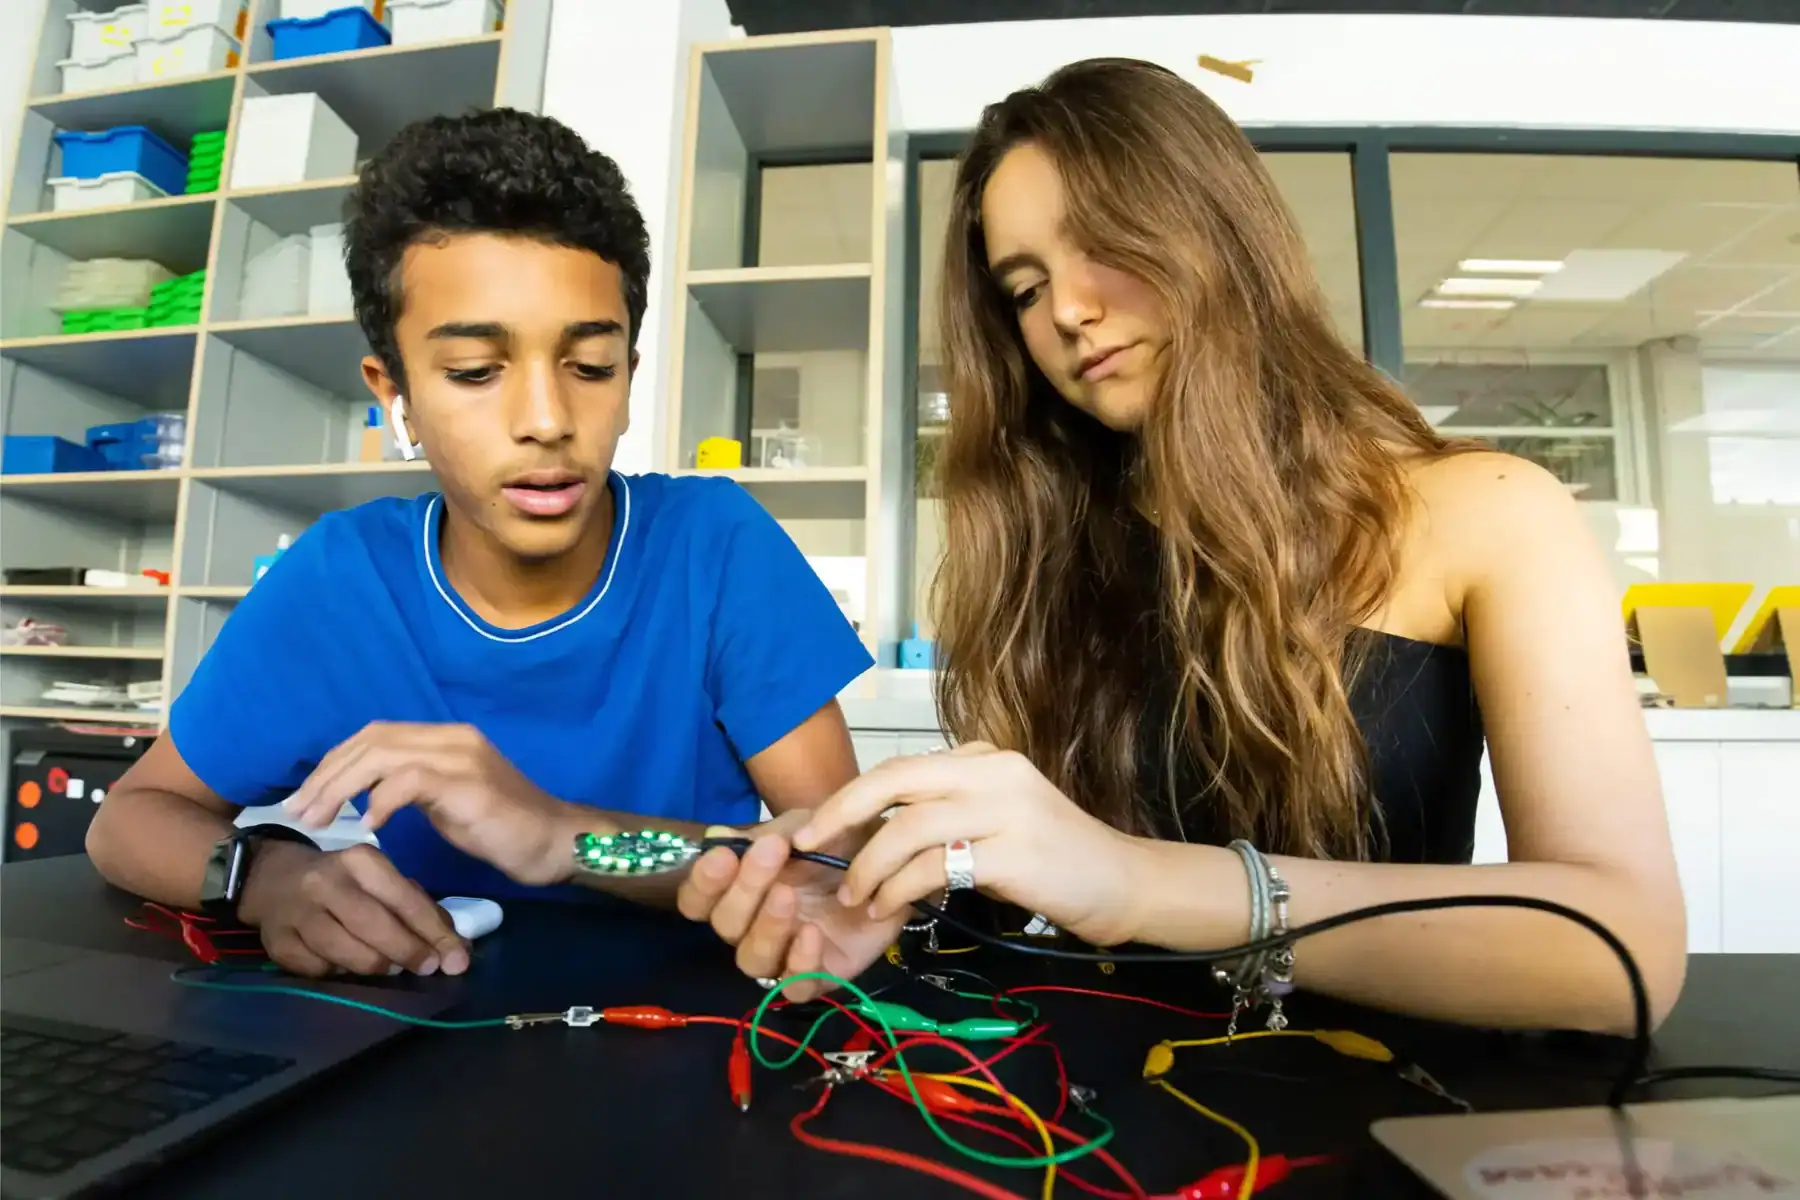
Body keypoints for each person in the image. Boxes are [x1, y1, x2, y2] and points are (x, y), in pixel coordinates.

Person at [676, 58, 1689, 1035]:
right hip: (1086, 1099)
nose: (1068, 311)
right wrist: (896, 888)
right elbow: (1052, 901)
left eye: (1102, 242)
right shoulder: (1050, 554)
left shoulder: (1491, 511)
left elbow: (1622, 953)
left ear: (1216, 230)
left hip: (1367, 1102)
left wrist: (1138, 883)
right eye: (1024, 288)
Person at [86, 109, 873, 981]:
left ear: (628, 380)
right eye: (474, 372)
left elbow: (831, 868)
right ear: (397, 397)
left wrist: (560, 835)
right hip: (411, 1017)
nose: (546, 420)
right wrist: (266, 877)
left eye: (591, 366)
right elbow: (131, 816)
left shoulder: (715, 548)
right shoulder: (341, 581)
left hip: (688, 1024)